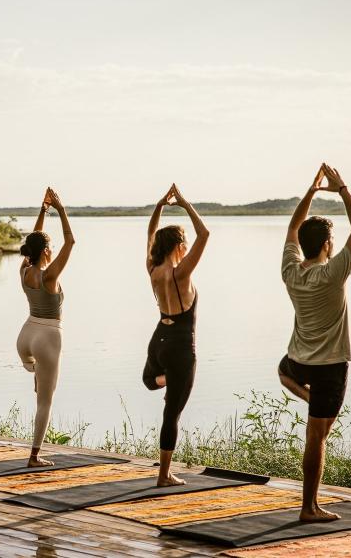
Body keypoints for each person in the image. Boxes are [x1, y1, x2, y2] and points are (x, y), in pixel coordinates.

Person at [278, 163, 351, 521]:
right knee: (317, 437)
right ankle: (309, 508)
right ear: (328, 245)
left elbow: (290, 228)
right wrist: (341, 187)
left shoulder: (291, 271)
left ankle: (301, 389)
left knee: (284, 369)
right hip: (330, 367)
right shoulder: (334, 272)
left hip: (298, 363)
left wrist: (312, 191)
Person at [143, 183, 209, 486]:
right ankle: (164, 475)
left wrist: (159, 206)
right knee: (172, 415)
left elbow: (149, 235)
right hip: (181, 347)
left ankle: (168, 379)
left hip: (159, 339)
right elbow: (205, 234)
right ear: (179, 246)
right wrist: (184, 203)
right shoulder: (180, 273)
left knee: (149, 380)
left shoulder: (153, 268)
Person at [16, 187, 74, 467]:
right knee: (45, 401)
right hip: (48, 336)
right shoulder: (50, 276)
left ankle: (38, 372)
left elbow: (34, 240)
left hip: (25, 335)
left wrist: (43, 211)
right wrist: (61, 210)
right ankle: (35, 456)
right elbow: (71, 241)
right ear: (47, 252)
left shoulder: (25, 270)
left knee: (38, 375)